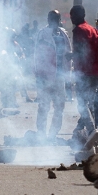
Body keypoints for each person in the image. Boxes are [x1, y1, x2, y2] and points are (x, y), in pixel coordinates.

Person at [69, 5, 98, 142]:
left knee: (82, 104)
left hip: (83, 72)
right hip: (95, 73)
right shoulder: (93, 30)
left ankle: (92, 130)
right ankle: (91, 133)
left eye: (73, 15)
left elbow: (81, 51)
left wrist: (70, 55)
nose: (71, 18)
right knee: (89, 103)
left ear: (80, 15)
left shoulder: (78, 30)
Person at [33, 10, 70, 140]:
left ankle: (53, 134)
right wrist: (38, 75)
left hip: (60, 77)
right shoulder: (42, 34)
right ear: (48, 19)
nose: (53, 20)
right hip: (45, 76)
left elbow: (68, 54)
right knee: (44, 106)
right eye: (51, 18)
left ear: (60, 19)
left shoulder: (64, 34)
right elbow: (37, 55)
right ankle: (41, 133)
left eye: (56, 18)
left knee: (59, 106)